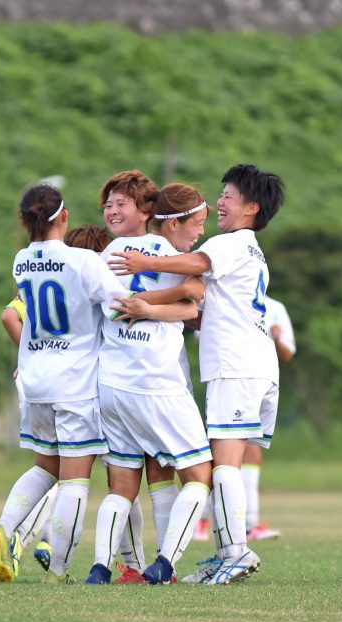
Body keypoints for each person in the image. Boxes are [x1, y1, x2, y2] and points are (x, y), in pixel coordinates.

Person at [110, 163, 286, 585]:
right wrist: (158, 309)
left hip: (238, 367)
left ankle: (236, 552)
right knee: (226, 460)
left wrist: (140, 263)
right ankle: (228, 553)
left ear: (251, 208)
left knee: (223, 465)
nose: (220, 202)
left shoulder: (233, 243)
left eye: (228, 195)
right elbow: (201, 309)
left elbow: (192, 264)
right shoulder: (250, 249)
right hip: (252, 364)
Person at [0, 184, 129, 584]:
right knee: (75, 480)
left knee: (44, 467)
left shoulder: (21, 261)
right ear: (63, 216)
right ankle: (60, 569)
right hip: (75, 384)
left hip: (34, 381)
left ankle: (5, 527)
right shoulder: (83, 261)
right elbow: (120, 306)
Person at [86, 182, 213, 585]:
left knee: (123, 484)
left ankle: (100, 568)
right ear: (168, 219)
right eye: (196, 222)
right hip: (155, 382)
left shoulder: (107, 254)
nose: (200, 232)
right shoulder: (173, 256)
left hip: (112, 383)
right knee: (199, 474)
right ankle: (164, 565)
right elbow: (194, 294)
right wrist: (159, 308)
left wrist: (145, 306)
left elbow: (111, 308)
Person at [195, 295, 295, 541]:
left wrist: (277, 336)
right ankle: (205, 521)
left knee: (249, 451)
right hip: (233, 375)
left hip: (260, 377)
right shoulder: (227, 296)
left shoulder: (275, 307)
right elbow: (201, 335)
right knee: (224, 452)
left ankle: (248, 525)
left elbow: (288, 353)